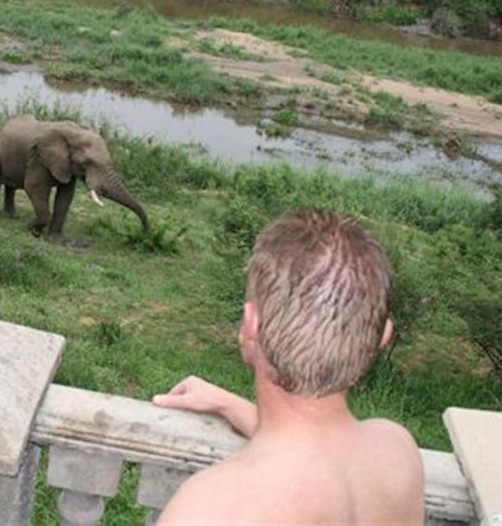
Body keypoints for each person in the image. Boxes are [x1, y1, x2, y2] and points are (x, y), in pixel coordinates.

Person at [153, 211, 425, 525]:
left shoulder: (215, 506)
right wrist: (226, 404)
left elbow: (296, 463)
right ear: (382, 338)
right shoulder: (397, 453)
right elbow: (313, 456)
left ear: (251, 325)